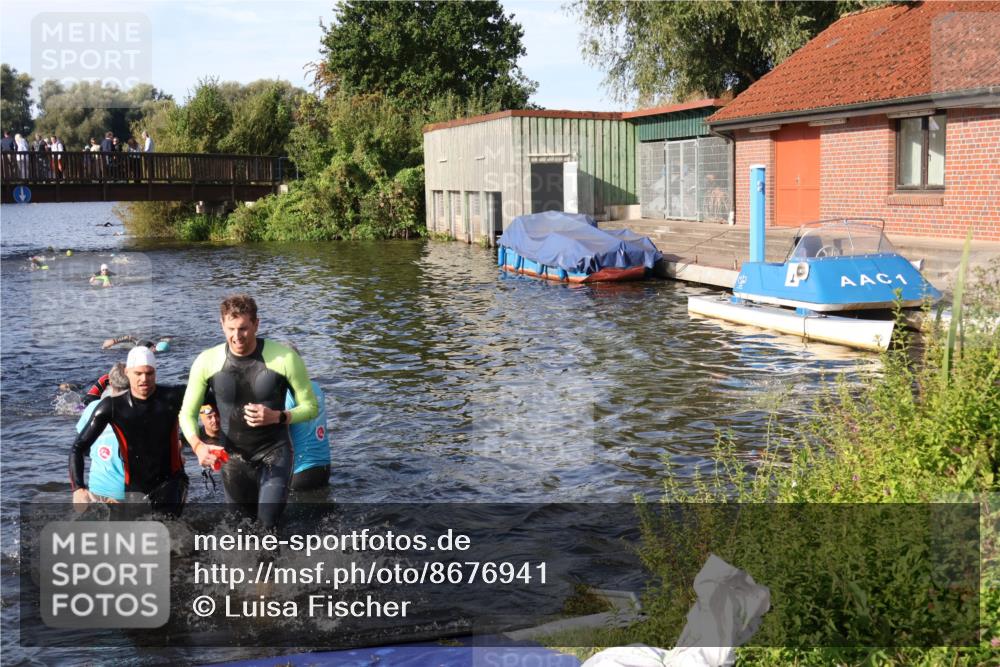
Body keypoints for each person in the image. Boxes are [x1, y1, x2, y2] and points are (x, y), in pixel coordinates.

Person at [180, 294, 317, 530]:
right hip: (232, 459)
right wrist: (198, 446)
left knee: (267, 526)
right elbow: (187, 414)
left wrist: (278, 416)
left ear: (256, 324)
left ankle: (278, 567)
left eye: (243, 328)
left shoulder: (285, 358)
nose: (237, 336)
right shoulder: (206, 361)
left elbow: (310, 407)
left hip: (274, 453)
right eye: (231, 328)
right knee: (239, 530)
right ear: (221, 324)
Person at [70, 346, 189, 515]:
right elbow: (78, 448)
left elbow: (80, 448)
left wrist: (79, 488)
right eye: (138, 374)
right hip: (134, 489)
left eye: (149, 374)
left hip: (162, 484)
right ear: (128, 374)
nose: (144, 379)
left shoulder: (172, 397)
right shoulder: (113, 407)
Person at [73, 363, 131, 501]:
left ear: (110, 383)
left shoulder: (92, 407)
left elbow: (80, 448)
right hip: (129, 493)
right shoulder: (140, 409)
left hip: (97, 490)